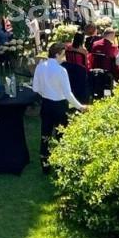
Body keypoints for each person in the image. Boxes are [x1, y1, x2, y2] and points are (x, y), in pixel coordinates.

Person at [33, 43, 85, 173]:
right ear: (56, 55)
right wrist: (80, 107)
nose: (65, 58)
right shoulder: (61, 70)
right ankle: (62, 166)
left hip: (46, 104)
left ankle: (45, 165)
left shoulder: (40, 67)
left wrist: (46, 93)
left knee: (45, 135)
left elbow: (35, 88)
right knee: (61, 135)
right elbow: (68, 94)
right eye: (63, 55)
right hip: (60, 106)